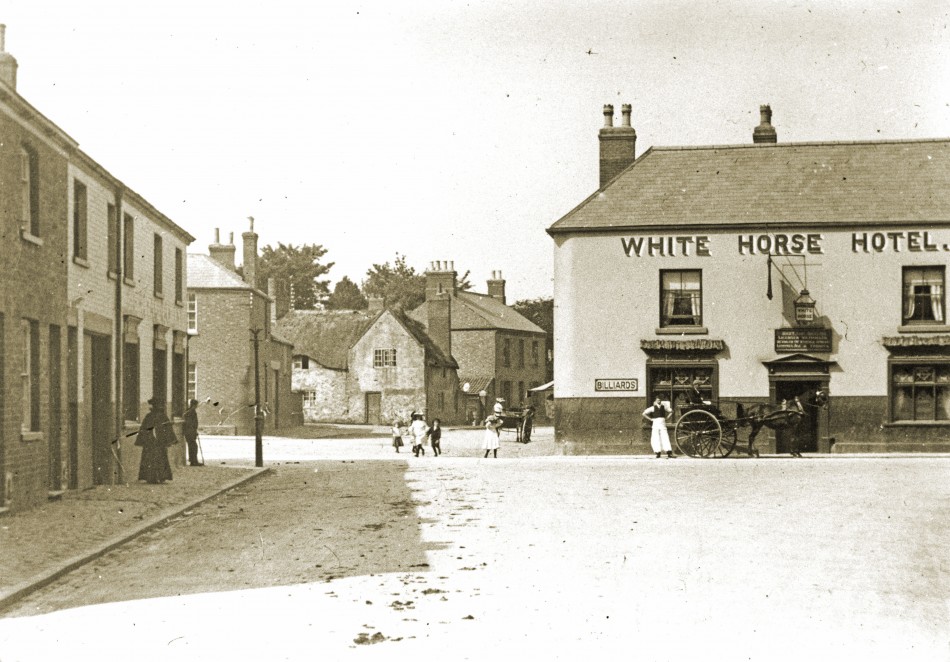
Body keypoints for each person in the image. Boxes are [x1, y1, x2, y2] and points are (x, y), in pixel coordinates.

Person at [135, 398, 177, 483]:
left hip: (152, 443)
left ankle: (153, 477)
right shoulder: (161, 416)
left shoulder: (150, 416)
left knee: (152, 459)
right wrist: (169, 441)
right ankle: (160, 477)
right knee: (158, 458)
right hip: (156, 443)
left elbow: (143, 429)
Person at [642, 394, 674, 458]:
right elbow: (644, 413)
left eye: (659, 400)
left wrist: (667, 418)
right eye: (657, 400)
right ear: (655, 401)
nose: (658, 401)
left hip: (662, 423)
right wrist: (651, 419)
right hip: (655, 422)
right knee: (655, 437)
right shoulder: (652, 408)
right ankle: (657, 452)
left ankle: (668, 452)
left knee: (665, 436)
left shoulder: (664, 406)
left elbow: (672, 411)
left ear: (661, 400)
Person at [183, 398, 202, 466]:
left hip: (189, 431)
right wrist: (194, 430)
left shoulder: (188, 411)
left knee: (192, 446)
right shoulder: (192, 412)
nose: (197, 406)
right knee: (194, 446)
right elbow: (191, 423)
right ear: (194, 405)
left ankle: (192, 460)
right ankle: (194, 461)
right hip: (190, 431)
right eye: (196, 404)